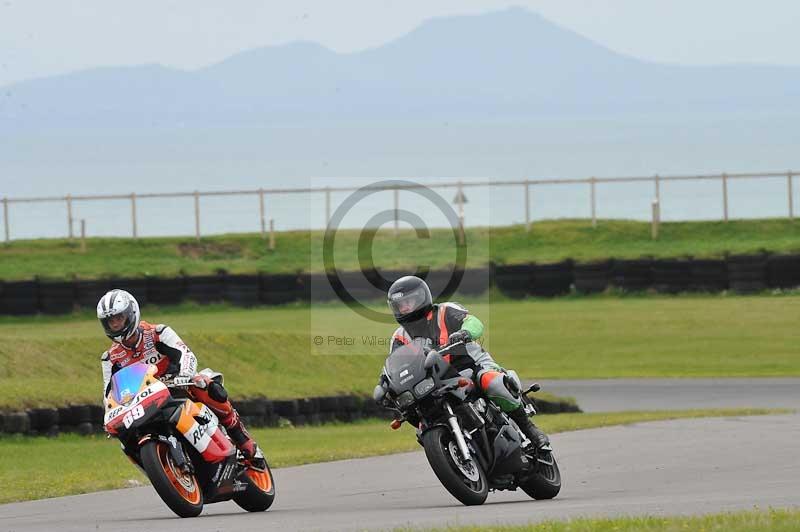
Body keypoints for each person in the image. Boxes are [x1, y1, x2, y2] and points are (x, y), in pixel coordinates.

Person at [97, 288, 266, 469]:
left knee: (205, 385)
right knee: (124, 439)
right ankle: (158, 468)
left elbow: (186, 354)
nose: (116, 324)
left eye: (119, 318)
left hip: (176, 384)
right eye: (111, 321)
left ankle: (242, 439)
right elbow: (109, 393)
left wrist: (184, 374)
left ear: (131, 314)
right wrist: (110, 416)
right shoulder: (110, 358)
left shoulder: (157, 332)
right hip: (144, 399)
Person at [385, 275, 550, 450]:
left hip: (472, 366)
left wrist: (465, 332)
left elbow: (474, 323)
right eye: (399, 305)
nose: (404, 308)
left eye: (408, 302)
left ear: (421, 297)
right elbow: (396, 365)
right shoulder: (399, 337)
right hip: (437, 380)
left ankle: (530, 429)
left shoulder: (445, 311)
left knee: (491, 382)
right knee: (420, 416)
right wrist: (386, 384)